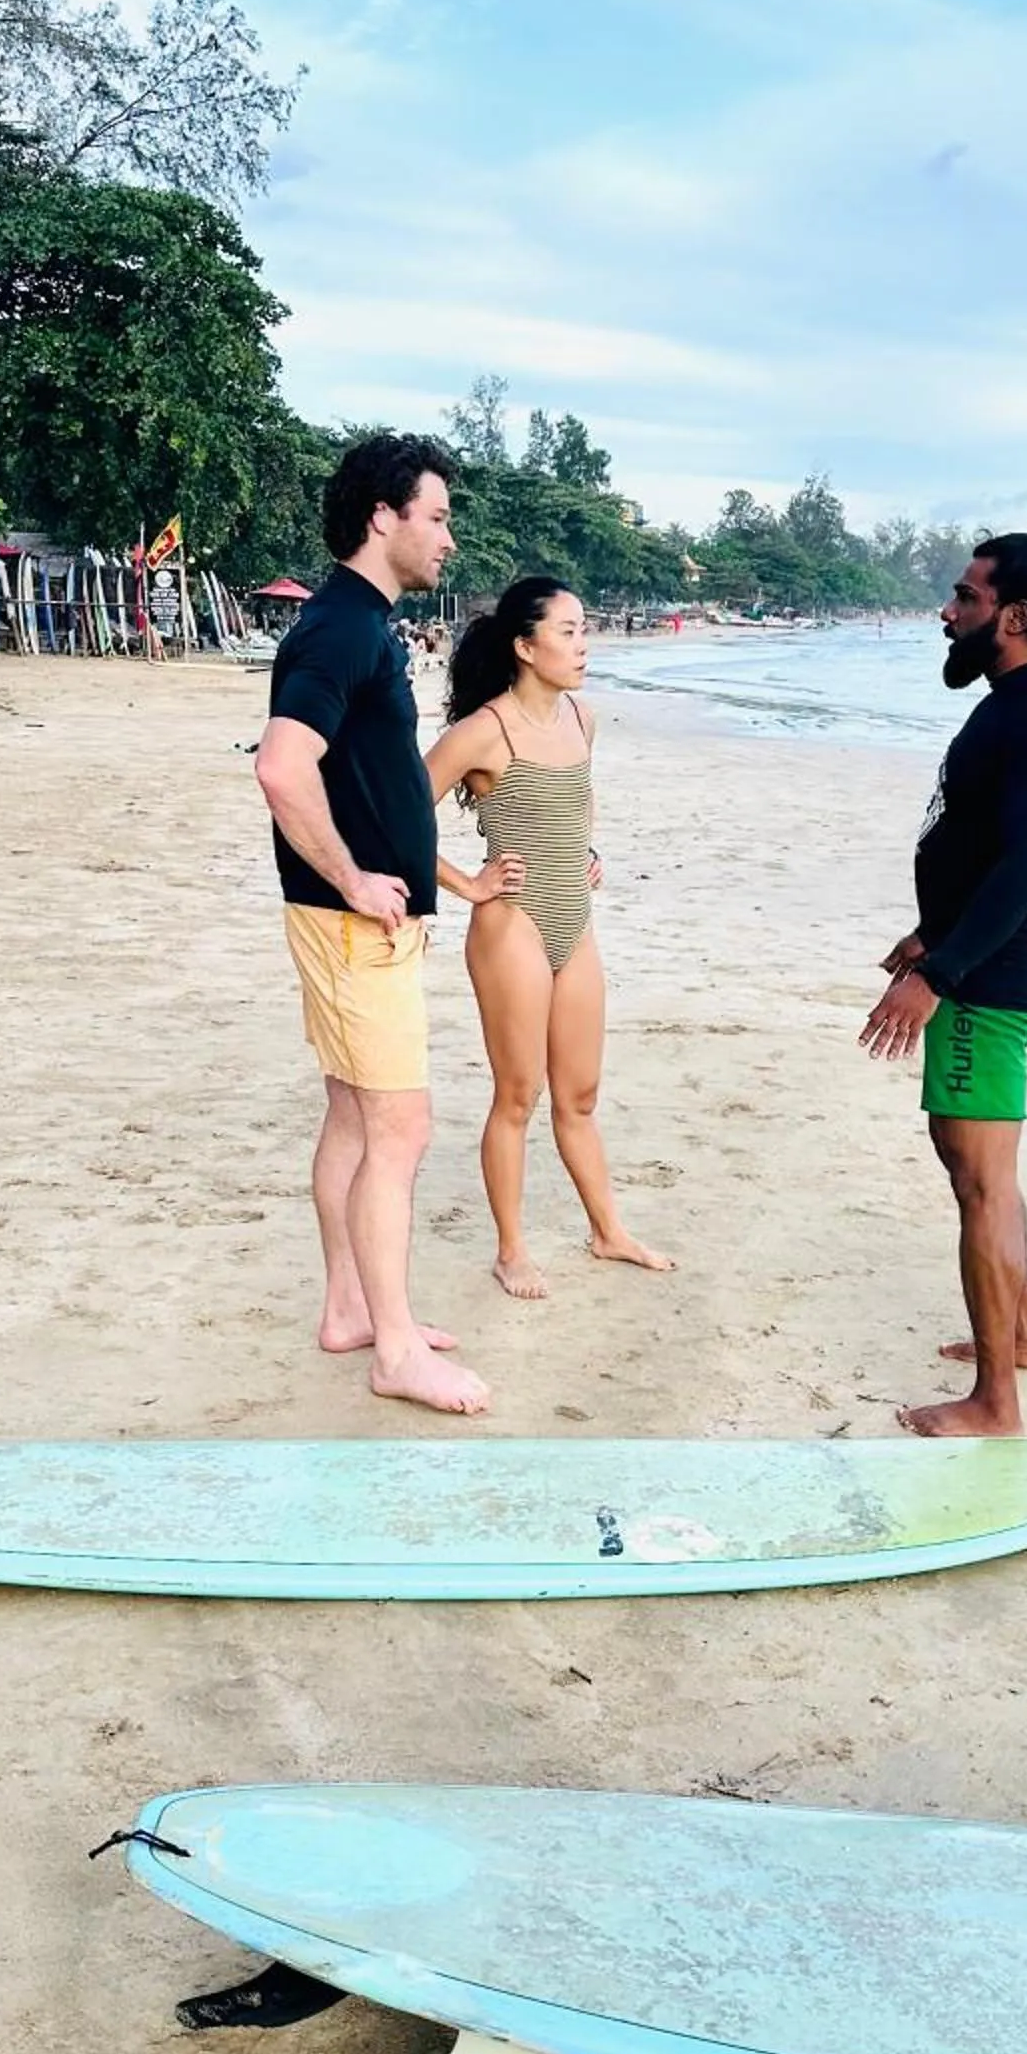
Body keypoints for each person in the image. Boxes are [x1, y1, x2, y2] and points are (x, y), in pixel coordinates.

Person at [860, 531, 1027, 1437]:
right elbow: (983, 846)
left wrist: (943, 970)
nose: (948, 610)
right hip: (975, 955)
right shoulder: (1015, 701)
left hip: (992, 975)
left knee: (982, 1187)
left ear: (1014, 616)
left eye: (965, 598)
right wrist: (933, 931)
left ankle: (996, 1404)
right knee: (977, 1168)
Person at [255, 433, 488, 1416]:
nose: (448, 537)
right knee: (400, 1125)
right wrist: (354, 878)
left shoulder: (358, 622)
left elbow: (361, 777)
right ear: (383, 517)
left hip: (347, 924)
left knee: (355, 1117)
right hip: (352, 928)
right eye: (435, 516)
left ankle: (350, 1308)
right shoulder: (343, 628)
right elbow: (279, 765)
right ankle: (394, 1349)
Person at [423, 577, 673, 1297]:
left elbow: (578, 798)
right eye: (567, 630)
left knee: (581, 1095)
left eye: (583, 627)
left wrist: (584, 854)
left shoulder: (581, 718)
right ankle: (510, 1249)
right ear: (525, 647)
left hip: (574, 921)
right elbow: (397, 814)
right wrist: (467, 884)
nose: (583, 642)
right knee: (518, 1094)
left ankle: (608, 1232)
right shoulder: (484, 731)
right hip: (512, 926)